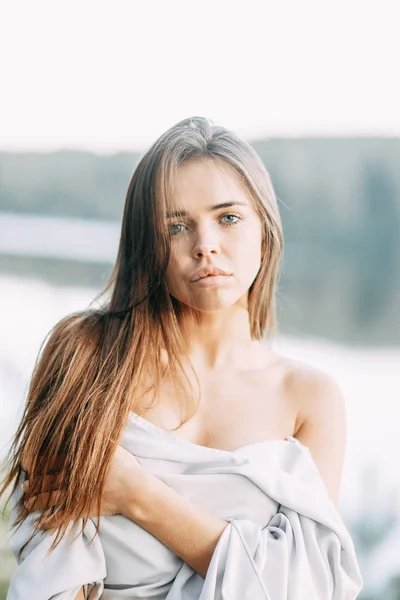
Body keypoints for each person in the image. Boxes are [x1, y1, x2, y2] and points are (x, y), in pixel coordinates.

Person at [1, 116, 363, 599]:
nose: (205, 245)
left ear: (265, 229)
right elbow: (51, 565)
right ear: (148, 242)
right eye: (176, 226)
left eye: (228, 218)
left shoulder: (309, 399)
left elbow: (302, 589)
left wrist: (135, 493)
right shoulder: (85, 356)